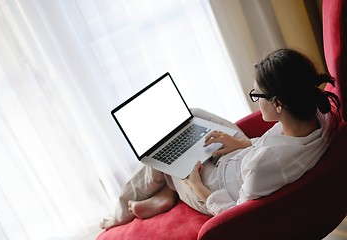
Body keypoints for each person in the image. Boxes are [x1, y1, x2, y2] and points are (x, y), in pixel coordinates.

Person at [100, 48, 340, 230]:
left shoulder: (263, 166)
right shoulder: (321, 116)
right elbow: (277, 151)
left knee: (162, 146)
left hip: (214, 187)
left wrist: (195, 185)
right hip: (243, 157)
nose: (255, 98)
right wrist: (243, 144)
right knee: (192, 115)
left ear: (278, 103)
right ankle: (167, 192)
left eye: (256, 95)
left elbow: (236, 213)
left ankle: (126, 210)